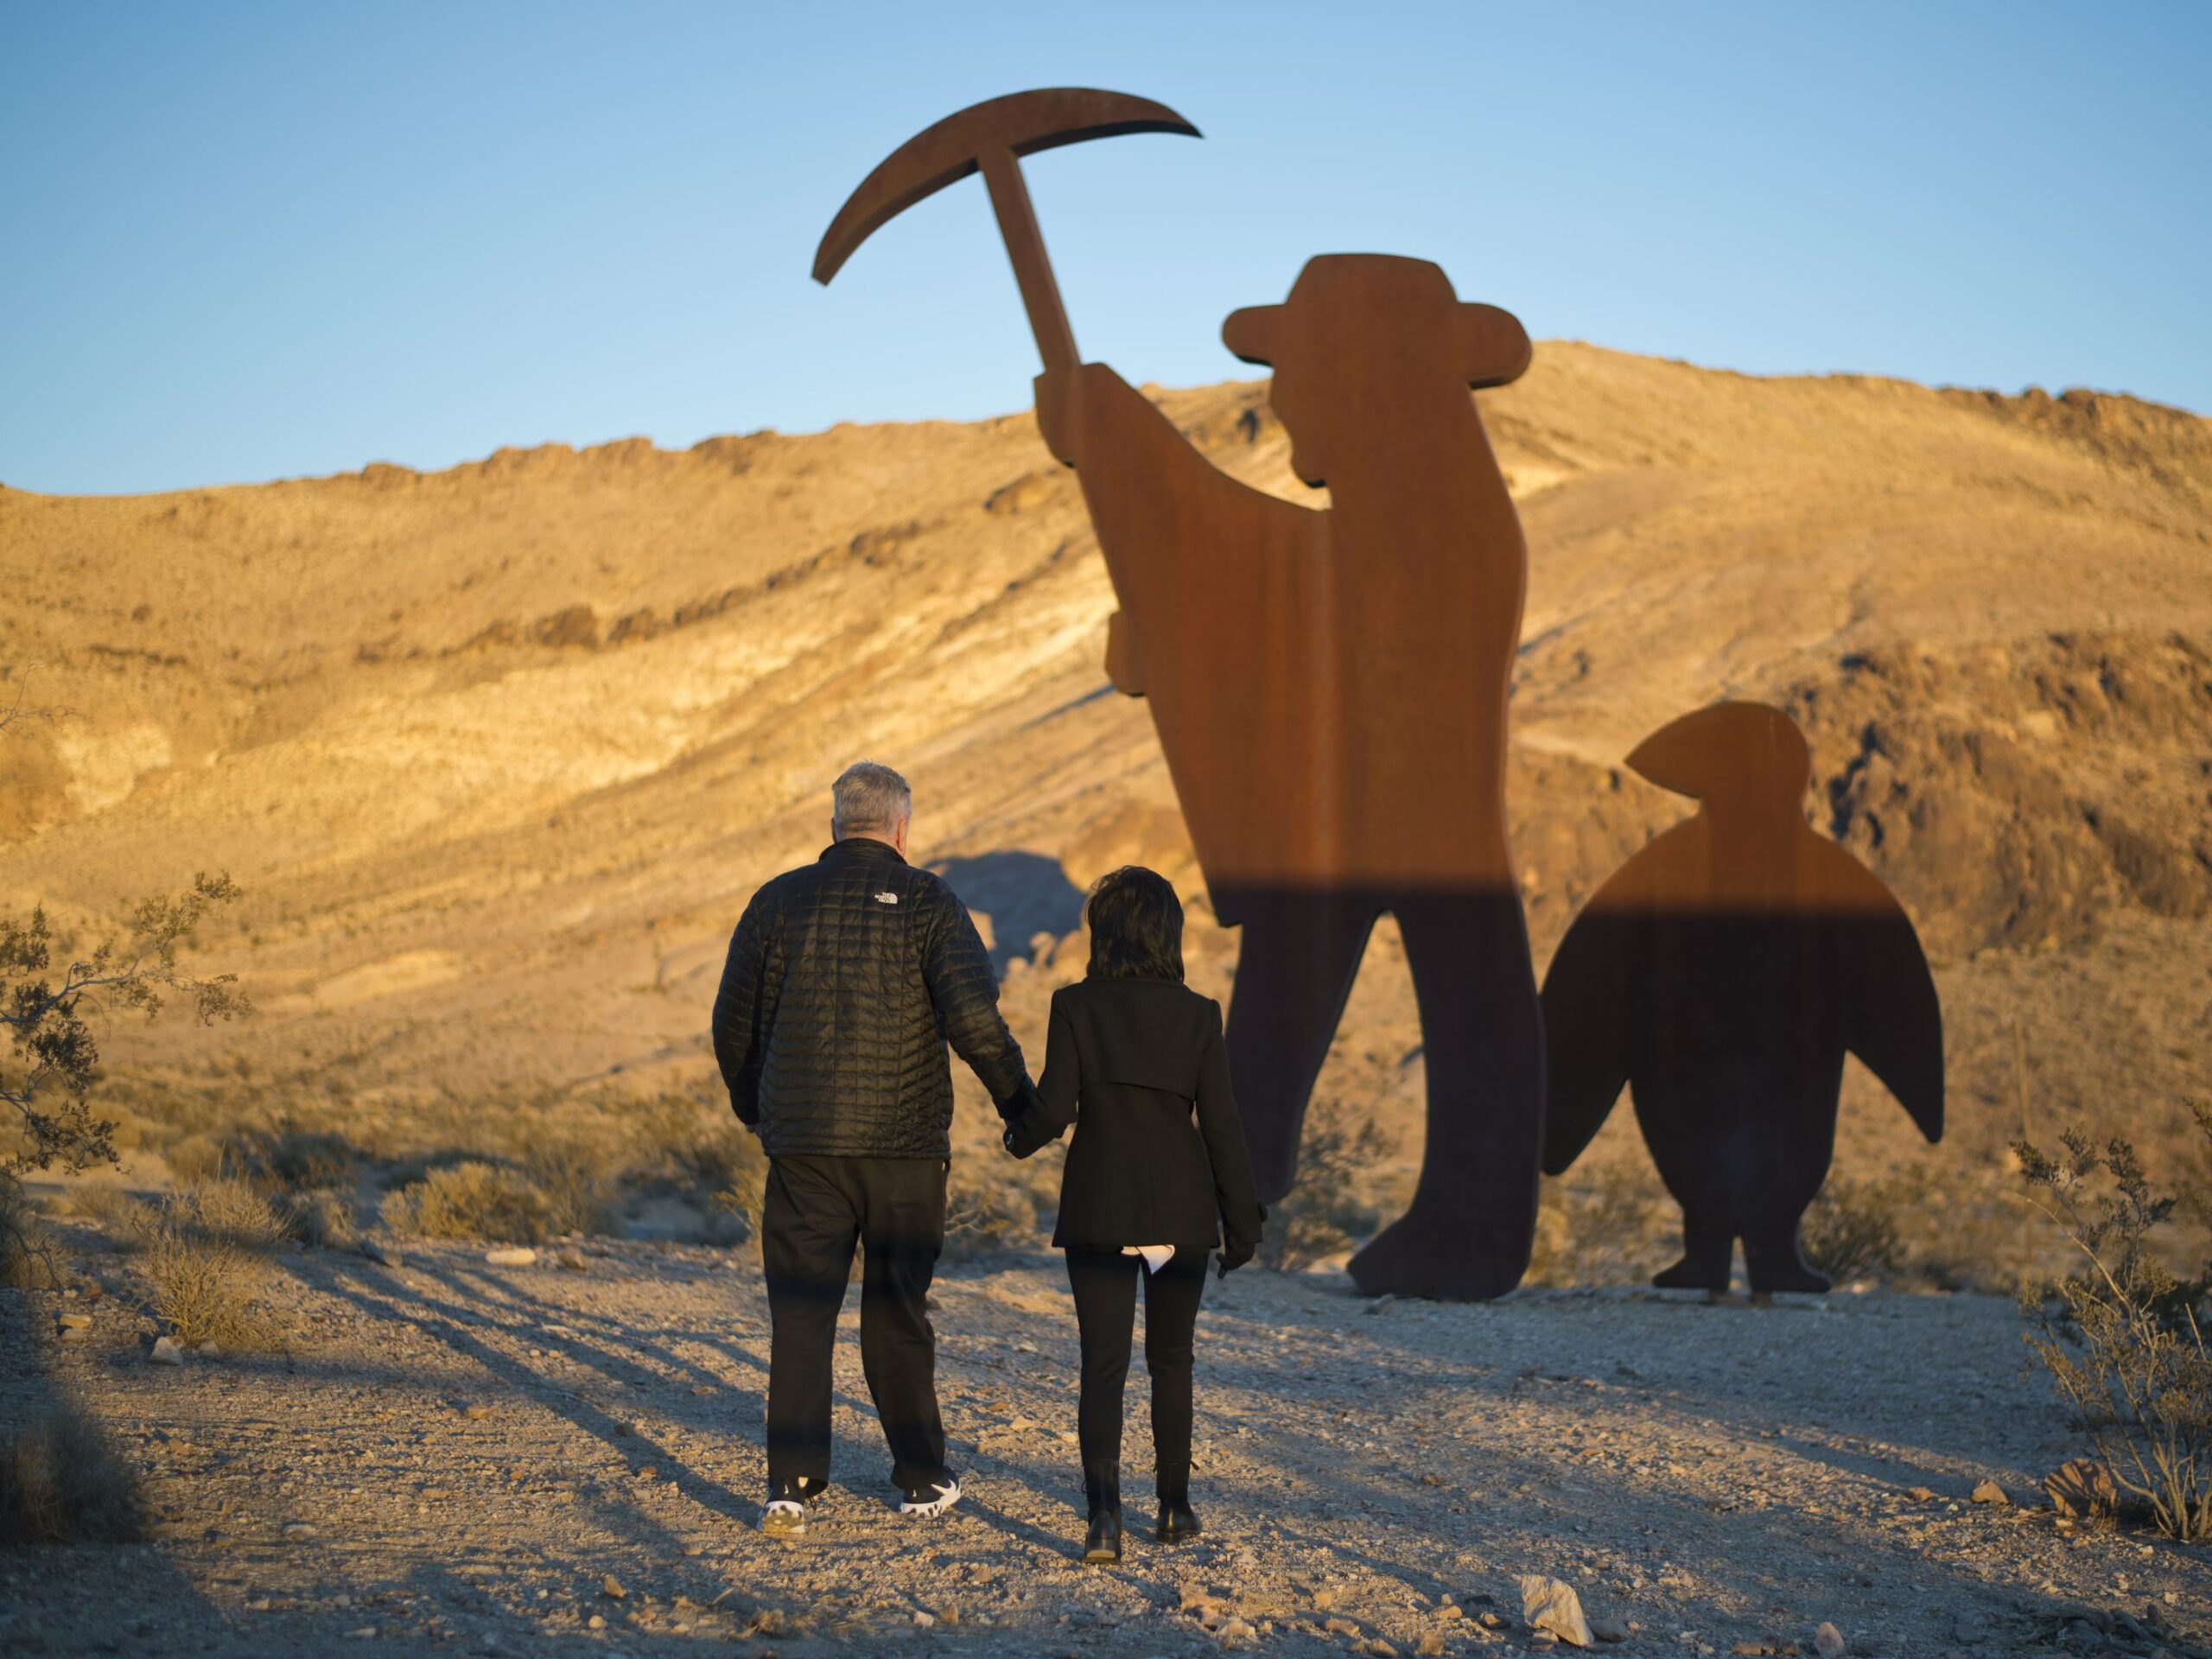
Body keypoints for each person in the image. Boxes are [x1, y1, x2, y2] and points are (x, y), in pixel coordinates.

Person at [1032, 254, 1543, 1300]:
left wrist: (1117, 436)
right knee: (1284, 1018)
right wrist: (1170, 629)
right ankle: (1238, 1201)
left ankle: (1448, 1221)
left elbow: (1272, 567)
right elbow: (1286, 602)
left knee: (1384, 1012)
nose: (1280, 401)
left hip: (1405, 824)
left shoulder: (1442, 523)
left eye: (1298, 371)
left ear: (1369, 378)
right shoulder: (1426, 512)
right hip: (1363, 822)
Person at [713, 760, 1035, 1538]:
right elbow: (974, 1019)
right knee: (897, 1313)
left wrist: (756, 1107)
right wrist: (1024, 1109)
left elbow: (734, 1023)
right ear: (900, 829)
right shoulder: (929, 901)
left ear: (834, 826)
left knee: (800, 1317)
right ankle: (922, 1479)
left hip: (805, 1152)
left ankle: (789, 1485)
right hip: (904, 1150)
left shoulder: (776, 902)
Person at [1002, 866, 1263, 1565]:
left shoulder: (1074, 1005)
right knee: (1172, 1362)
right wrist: (1243, 1224)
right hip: (1181, 1213)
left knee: (1103, 1367)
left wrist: (1016, 1138)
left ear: (1103, 932)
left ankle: (1104, 1522)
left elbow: (1054, 1110)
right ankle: (1175, 1509)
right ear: (1167, 932)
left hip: (1099, 1207)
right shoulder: (1200, 1014)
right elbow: (1224, 1128)